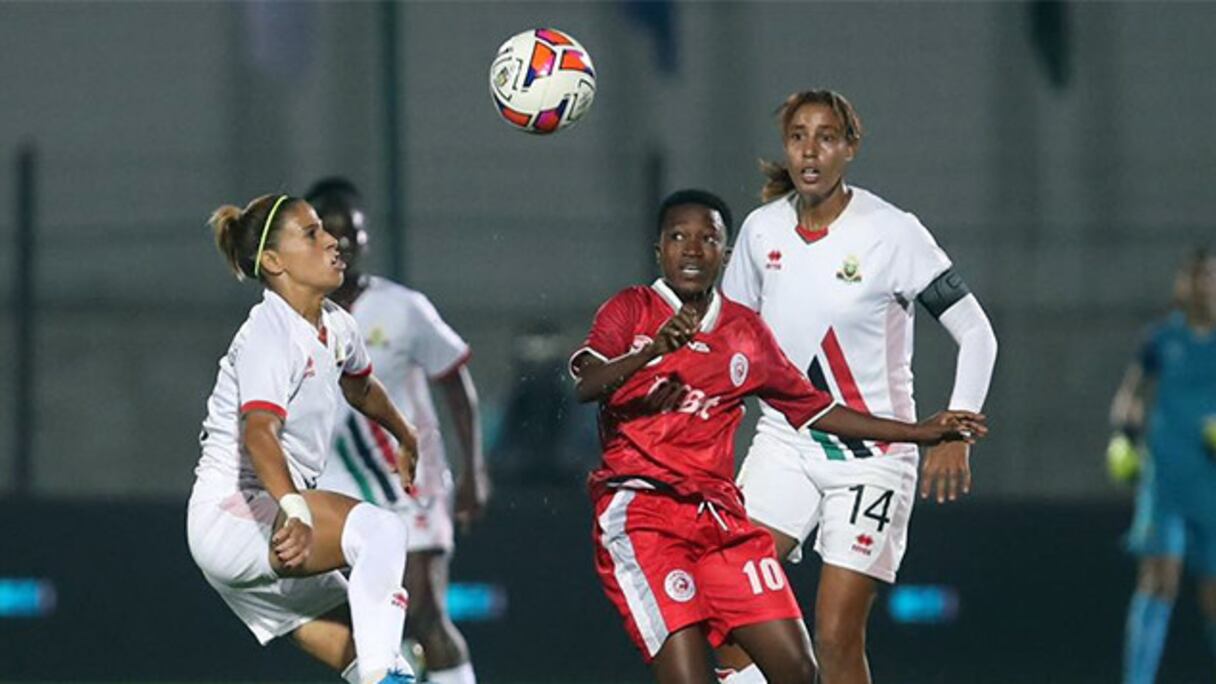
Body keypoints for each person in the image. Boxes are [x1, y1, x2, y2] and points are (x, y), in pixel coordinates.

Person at [570, 188, 987, 684]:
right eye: (678, 237)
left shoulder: (744, 332)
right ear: (659, 249)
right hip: (643, 515)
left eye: (707, 239)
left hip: (719, 520)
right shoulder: (629, 310)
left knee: (797, 667)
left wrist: (918, 434)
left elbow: (818, 409)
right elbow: (586, 385)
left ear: (726, 254)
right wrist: (651, 352)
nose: (692, 248)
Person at [717, 90, 999, 684]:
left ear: (851, 147)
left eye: (825, 136)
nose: (810, 150)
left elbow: (976, 332)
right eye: (798, 136)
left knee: (837, 637)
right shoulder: (760, 231)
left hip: (873, 459)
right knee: (732, 616)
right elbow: (731, 347)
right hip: (784, 444)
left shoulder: (892, 232)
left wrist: (958, 430)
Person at [187, 193, 420, 684]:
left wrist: (404, 432)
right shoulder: (271, 333)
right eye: (311, 233)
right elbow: (260, 433)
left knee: (365, 643)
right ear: (273, 262)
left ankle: (383, 674)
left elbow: (358, 384)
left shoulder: (336, 324)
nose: (332, 241)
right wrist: (293, 508)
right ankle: (385, 677)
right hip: (237, 514)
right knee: (382, 533)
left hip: (260, 521)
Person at [307, 178, 489, 684]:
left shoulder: (402, 309)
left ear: (365, 240)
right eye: (328, 231)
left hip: (411, 483)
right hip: (339, 489)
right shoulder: (292, 318)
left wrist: (473, 471)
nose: (341, 242)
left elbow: (456, 386)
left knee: (425, 612)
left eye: (353, 232)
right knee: (367, 624)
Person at [1109, 248, 1216, 684]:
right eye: (1199, 276)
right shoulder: (1160, 339)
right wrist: (1123, 437)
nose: (1206, 285)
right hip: (1166, 478)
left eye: (1212, 277)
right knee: (1158, 580)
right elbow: (1131, 394)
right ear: (1184, 284)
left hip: (1211, 484)